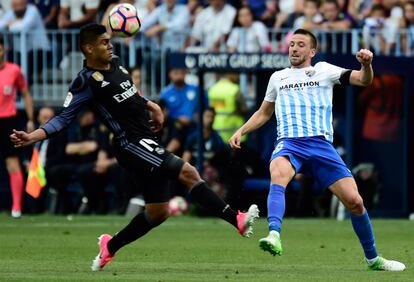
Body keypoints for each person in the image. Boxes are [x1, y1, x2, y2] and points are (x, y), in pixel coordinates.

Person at [9, 23, 259, 271]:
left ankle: (110, 246)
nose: (110, 45)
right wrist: (33, 136)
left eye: (109, 40)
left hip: (146, 139)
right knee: (188, 172)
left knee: (158, 213)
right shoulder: (85, 82)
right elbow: (63, 117)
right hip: (130, 144)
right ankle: (236, 218)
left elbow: (131, 93)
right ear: (88, 48)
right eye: (104, 42)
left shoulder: (116, 63)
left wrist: (152, 106)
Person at [229, 28, 406, 271]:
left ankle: (373, 259)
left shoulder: (324, 70)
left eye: (300, 44)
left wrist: (366, 65)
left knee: (355, 202)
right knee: (278, 176)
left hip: (321, 145)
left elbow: (363, 80)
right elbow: (264, 113)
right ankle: (274, 234)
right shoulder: (278, 78)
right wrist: (242, 130)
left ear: (312, 51)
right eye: (291, 44)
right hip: (290, 143)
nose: (294, 48)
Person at [0, 35, 34, 218]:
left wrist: (30, 118)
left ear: (3, 49)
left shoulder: (14, 70)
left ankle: (16, 207)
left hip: (7, 121)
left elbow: (26, 93)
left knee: (12, 164)